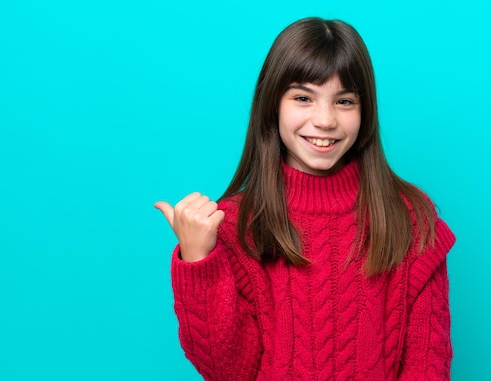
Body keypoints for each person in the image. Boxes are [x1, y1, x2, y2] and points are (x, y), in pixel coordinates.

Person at [155, 17, 455, 381]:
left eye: (344, 101)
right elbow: (227, 370)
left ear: (365, 111)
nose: (325, 120)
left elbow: (428, 367)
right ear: (273, 105)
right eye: (303, 98)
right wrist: (199, 260)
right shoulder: (234, 224)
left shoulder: (409, 218)